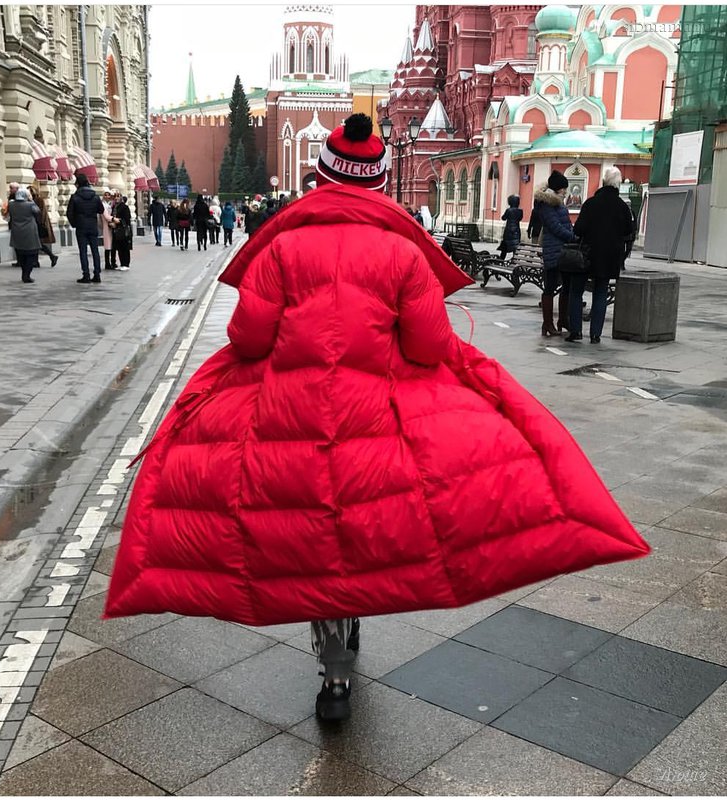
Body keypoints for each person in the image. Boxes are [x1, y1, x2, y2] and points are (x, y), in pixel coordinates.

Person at [105, 113, 649, 725]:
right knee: (360, 527)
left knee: (310, 536)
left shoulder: (282, 247)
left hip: (289, 417)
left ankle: (331, 661)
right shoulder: (402, 251)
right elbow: (428, 345)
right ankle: (346, 639)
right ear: (378, 183)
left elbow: (250, 338)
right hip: (374, 419)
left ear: (322, 178)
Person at [570, 167, 636, 343]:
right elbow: (628, 230)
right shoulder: (622, 206)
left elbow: (579, 229)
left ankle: (576, 331)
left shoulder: (590, 203)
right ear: (618, 184)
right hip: (609, 256)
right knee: (600, 293)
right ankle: (595, 334)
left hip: (587, 254)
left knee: (576, 291)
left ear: (604, 182)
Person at [535, 170, 576, 337]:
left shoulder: (557, 202)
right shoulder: (547, 204)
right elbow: (555, 227)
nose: (565, 191)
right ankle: (548, 323)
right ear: (558, 188)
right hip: (553, 250)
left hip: (563, 251)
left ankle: (563, 320)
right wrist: (572, 237)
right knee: (550, 287)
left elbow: (564, 224)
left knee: (566, 285)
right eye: (563, 188)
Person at [66, 173, 104, 284]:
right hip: (92, 225)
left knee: (83, 251)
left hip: (81, 226)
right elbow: (101, 210)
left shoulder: (75, 197)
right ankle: (97, 274)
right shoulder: (95, 196)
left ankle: (86, 275)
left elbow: (69, 213)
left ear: (77, 184)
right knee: (95, 251)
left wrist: (74, 223)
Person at [8, 188, 41, 284]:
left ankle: (24, 272)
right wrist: (31, 200)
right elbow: (38, 211)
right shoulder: (30, 205)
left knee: (20, 253)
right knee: (31, 253)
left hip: (16, 231)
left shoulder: (11, 204)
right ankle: (26, 274)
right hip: (29, 231)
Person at [29, 182, 58, 267]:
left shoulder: (38, 200)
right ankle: (37, 261)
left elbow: (41, 213)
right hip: (35, 224)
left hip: (38, 224)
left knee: (38, 243)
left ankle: (52, 256)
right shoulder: (33, 200)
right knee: (36, 244)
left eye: (29, 192)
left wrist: (40, 223)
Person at [497, 195, 522, 261]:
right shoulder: (520, 211)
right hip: (516, 230)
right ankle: (515, 260)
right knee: (515, 246)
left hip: (508, 230)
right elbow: (520, 218)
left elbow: (503, 218)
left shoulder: (508, 210)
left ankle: (501, 259)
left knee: (505, 246)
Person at [111, 196, 133, 271]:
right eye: (115, 197)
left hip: (123, 230)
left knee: (125, 247)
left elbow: (127, 219)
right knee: (119, 247)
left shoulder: (124, 207)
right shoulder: (114, 207)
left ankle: (126, 264)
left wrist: (118, 221)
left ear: (121, 198)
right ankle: (122, 263)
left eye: (118, 197)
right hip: (117, 230)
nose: (116, 198)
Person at [100, 190, 116, 270]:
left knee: (112, 245)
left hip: (112, 226)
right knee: (107, 245)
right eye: (105, 195)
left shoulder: (111, 204)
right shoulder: (102, 205)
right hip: (106, 225)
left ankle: (113, 262)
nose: (107, 196)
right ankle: (107, 263)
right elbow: (106, 216)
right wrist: (114, 219)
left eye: (108, 195)